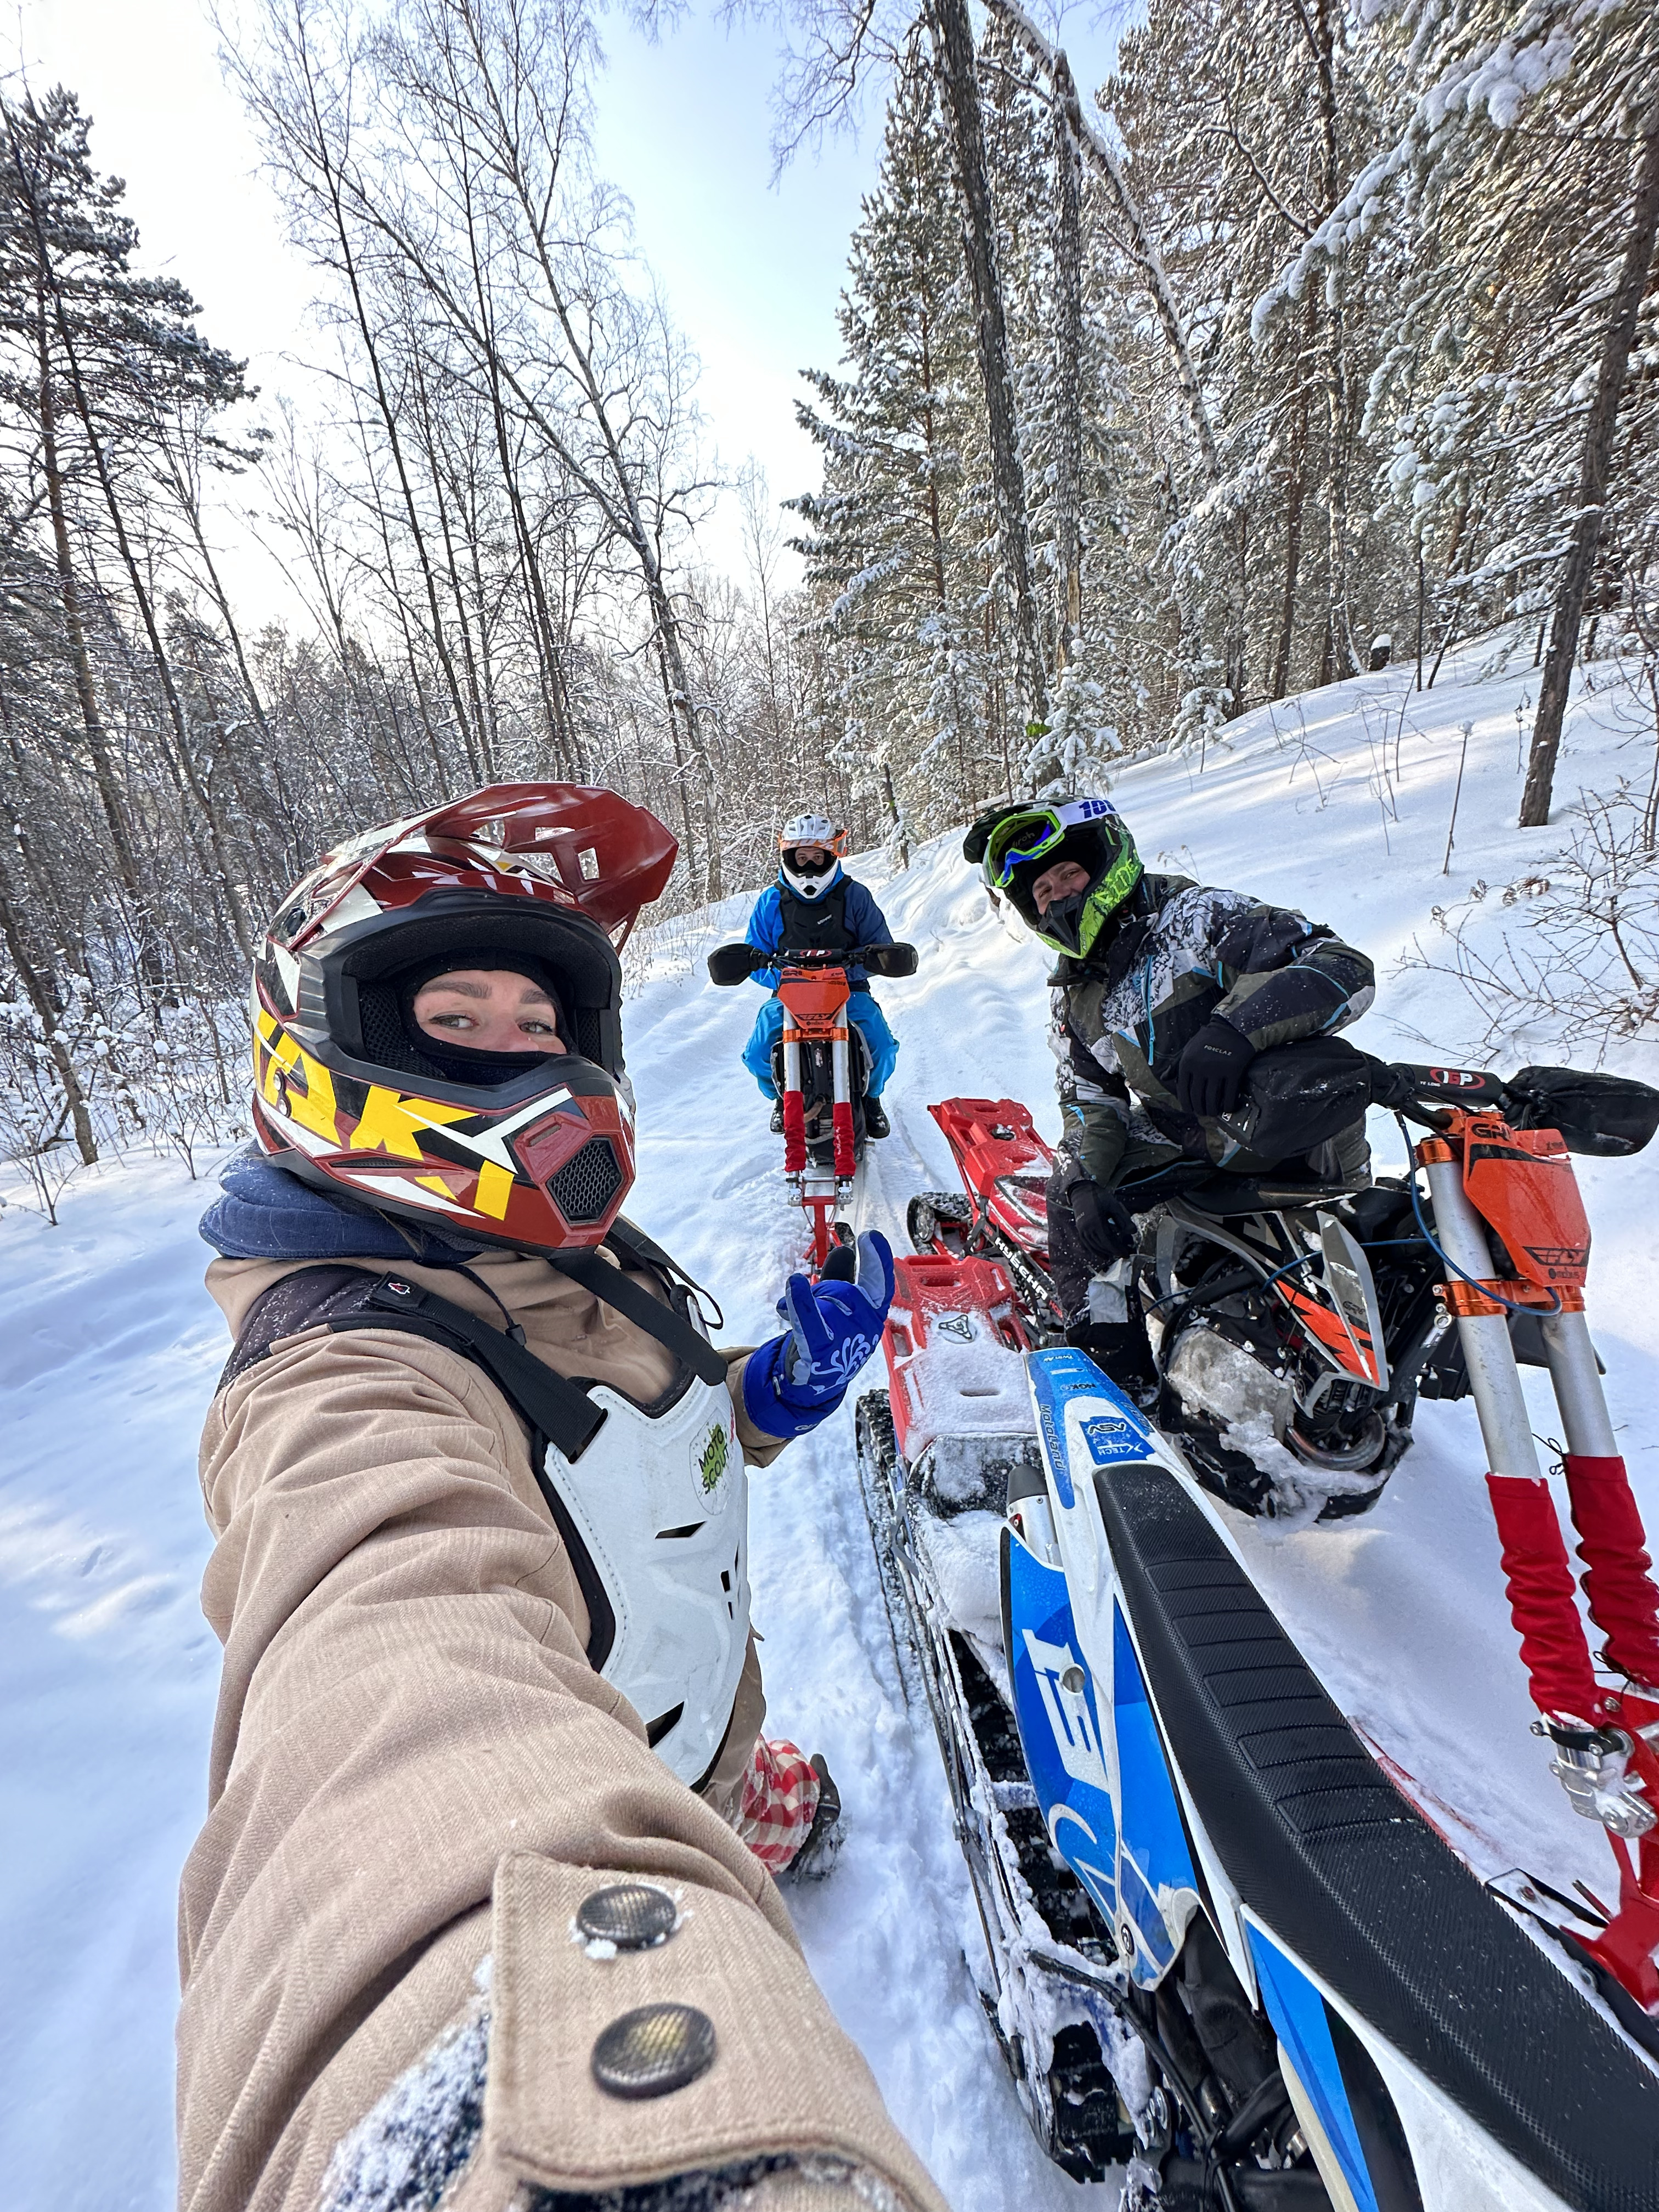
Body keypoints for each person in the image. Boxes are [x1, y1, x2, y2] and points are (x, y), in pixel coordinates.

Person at [178, 783, 943, 2212]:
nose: (517, 1055)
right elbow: (385, 1685)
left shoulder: (541, 1244)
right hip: (597, 1787)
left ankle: (738, 1788)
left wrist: (766, 1392)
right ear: (328, 1042)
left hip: (687, 1713)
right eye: (455, 1023)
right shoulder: (345, 1374)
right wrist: (485, 2079)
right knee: (647, 1815)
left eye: (542, 1023)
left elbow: (619, 1434)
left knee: (734, 1766)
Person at [966, 796, 1376, 1392]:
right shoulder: (1075, 992)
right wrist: (1083, 1182)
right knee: (1068, 1191)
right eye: (1043, 893)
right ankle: (1113, 1363)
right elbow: (1089, 1099)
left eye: (1068, 875)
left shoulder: (1195, 917)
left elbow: (1340, 966)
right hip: (1189, 1138)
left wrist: (1236, 1029)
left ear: (1104, 861)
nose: (1059, 895)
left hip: (1293, 1136)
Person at [740, 812, 900, 1140]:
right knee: (757, 1051)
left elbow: (880, 944)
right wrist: (778, 976)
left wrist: (867, 962)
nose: (809, 867)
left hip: (849, 991)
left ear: (831, 857)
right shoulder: (771, 900)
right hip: (789, 995)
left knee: (881, 1044)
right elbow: (754, 953)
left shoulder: (855, 895)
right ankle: (782, 1099)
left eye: (817, 858)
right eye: (802, 859)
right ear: (788, 858)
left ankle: (872, 1098)